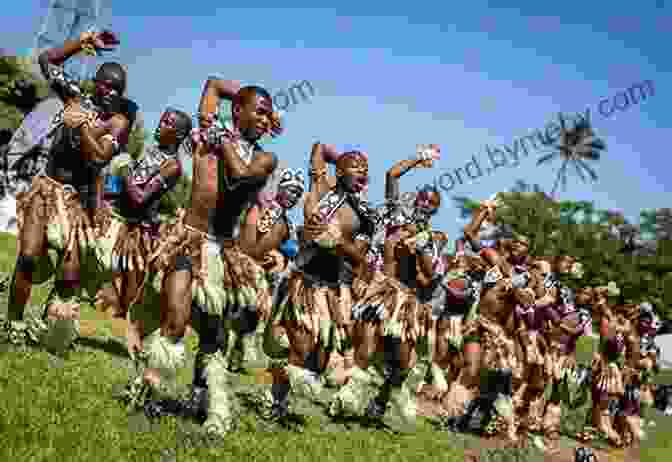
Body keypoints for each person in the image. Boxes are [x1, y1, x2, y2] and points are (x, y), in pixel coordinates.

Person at [129, 82, 280, 438]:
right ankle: (147, 389)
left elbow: (240, 175)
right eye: (259, 110)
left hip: (223, 252)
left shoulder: (264, 158)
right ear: (237, 110)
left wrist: (223, 136)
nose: (265, 118)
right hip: (189, 241)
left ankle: (211, 405)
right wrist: (230, 108)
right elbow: (212, 84)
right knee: (176, 318)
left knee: (213, 338)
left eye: (269, 113)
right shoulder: (208, 133)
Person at [2, 30, 134, 352]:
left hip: (76, 201)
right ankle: (14, 323)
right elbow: (47, 60)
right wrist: (82, 42)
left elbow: (99, 157)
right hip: (45, 188)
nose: (109, 92)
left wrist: (82, 124)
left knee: (70, 273)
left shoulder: (118, 123)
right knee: (30, 254)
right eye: (104, 84)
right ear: (96, 84)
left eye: (116, 89)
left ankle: (54, 326)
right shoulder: (75, 97)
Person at [268, 143, 375, 418]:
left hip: (332, 291)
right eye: (355, 165)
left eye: (365, 167)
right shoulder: (321, 188)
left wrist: (339, 242)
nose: (362, 169)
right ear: (338, 171)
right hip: (304, 281)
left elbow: (360, 258)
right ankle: (275, 403)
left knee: (318, 360)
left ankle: (277, 394)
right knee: (301, 349)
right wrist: (341, 160)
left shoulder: (365, 216)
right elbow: (318, 149)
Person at [95, 107, 192, 357]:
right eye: (162, 118)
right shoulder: (150, 150)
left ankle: (144, 343)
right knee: (97, 264)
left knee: (132, 297)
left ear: (180, 134)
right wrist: (104, 200)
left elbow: (139, 198)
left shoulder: (172, 166)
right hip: (118, 220)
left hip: (138, 232)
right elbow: (124, 188)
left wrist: (125, 167)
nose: (161, 124)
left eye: (169, 123)